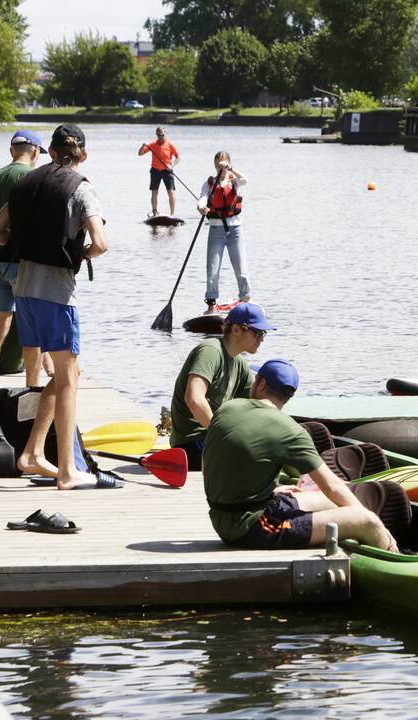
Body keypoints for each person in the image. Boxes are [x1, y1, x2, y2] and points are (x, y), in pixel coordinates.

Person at [0, 123, 109, 489]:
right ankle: (68, 470)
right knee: (68, 377)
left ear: (50, 151)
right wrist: (81, 251)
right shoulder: (81, 187)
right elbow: (101, 243)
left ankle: (33, 453)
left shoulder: (23, 185)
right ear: (82, 155)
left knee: (65, 373)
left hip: (23, 291)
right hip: (56, 293)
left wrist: (26, 242)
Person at [201, 359, 398, 552]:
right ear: (289, 396)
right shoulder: (290, 430)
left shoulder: (227, 408)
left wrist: (272, 491)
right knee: (367, 520)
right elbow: (333, 486)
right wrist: (368, 519)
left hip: (226, 516)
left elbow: (219, 463)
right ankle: (392, 555)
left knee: (328, 501)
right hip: (250, 528)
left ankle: (362, 540)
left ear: (261, 383)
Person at [0, 129, 49, 406]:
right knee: (31, 328)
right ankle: (32, 390)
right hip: (22, 260)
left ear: (11, 151)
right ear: (34, 151)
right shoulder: (32, 178)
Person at [169, 302, 272, 470]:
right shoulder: (210, 351)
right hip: (191, 444)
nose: (262, 339)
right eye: (257, 333)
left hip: (211, 440)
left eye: (264, 333)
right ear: (237, 329)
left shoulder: (239, 364)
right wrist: (222, 436)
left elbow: (256, 408)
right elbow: (194, 399)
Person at [198, 151, 250, 313]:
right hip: (216, 230)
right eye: (218, 163)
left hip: (235, 230)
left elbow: (245, 180)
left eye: (224, 163)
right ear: (214, 165)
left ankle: (246, 300)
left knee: (241, 269)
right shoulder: (209, 183)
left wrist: (231, 169)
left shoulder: (234, 181)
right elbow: (202, 199)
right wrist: (201, 207)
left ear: (228, 164)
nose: (221, 166)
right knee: (212, 270)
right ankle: (211, 305)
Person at [137, 127, 180, 217]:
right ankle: (154, 211)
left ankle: (172, 214)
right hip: (155, 170)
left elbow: (178, 158)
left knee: (171, 192)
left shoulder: (170, 144)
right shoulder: (152, 144)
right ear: (156, 135)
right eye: (159, 135)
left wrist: (171, 165)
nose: (161, 137)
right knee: (154, 191)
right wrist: (142, 146)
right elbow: (140, 154)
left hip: (167, 171)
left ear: (165, 134)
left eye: (162, 135)